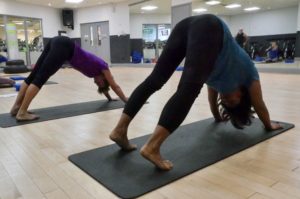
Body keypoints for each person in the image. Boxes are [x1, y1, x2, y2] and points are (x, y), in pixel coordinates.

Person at [109, 14, 282, 171]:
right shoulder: (248, 73)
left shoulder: (218, 80)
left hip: (188, 25)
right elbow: (259, 104)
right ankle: (152, 147)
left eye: (226, 103)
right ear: (243, 96)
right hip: (210, 27)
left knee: (159, 81)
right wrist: (268, 125)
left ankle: (119, 131)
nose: (226, 100)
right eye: (232, 102)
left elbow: (212, 98)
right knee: (185, 88)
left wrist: (217, 116)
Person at [10, 36, 127, 121]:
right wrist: (127, 101)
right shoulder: (104, 67)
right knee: (40, 78)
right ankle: (22, 112)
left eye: (97, 84)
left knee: (33, 76)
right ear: (105, 78)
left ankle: (16, 107)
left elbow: (105, 87)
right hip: (65, 47)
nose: (96, 82)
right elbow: (114, 86)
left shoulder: (93, 75)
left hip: (58, 42)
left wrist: (110, 98)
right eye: (99, 82)